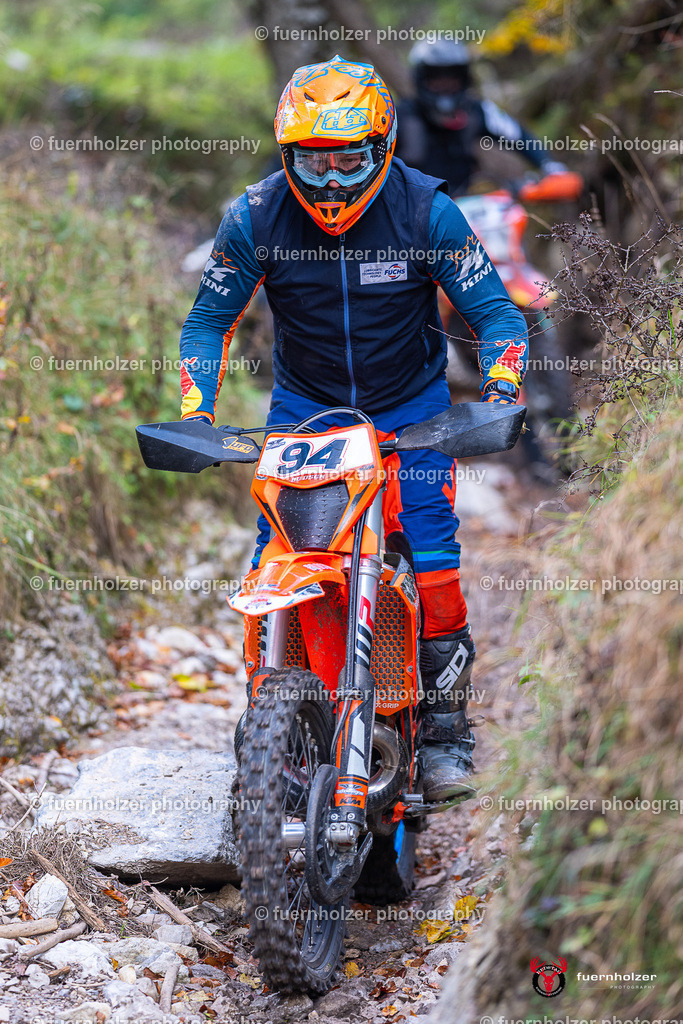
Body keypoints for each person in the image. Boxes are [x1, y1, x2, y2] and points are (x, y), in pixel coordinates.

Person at [178, 54, 528, 802]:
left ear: (383, 147)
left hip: (412, 408)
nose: (332, 181)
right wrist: (196, 413)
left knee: (431, 558)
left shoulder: (425, 209)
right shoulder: (253, 216)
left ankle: (443, 730)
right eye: (313, 162)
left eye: (349, 161)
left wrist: (499, 388)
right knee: (280, 553)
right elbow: (209, 321)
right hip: (306, 409)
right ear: (286, 155)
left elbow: (495, 313)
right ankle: (272, 710)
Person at [396, 39, 568, 195]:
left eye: (452, 80)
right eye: (436, 81)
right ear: (421, 79)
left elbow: (517, 135)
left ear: (464, 80)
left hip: (464, 211)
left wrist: (549, 166)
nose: (445, 87)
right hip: (411, 214)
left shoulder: (476, 111)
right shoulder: (398, 117)